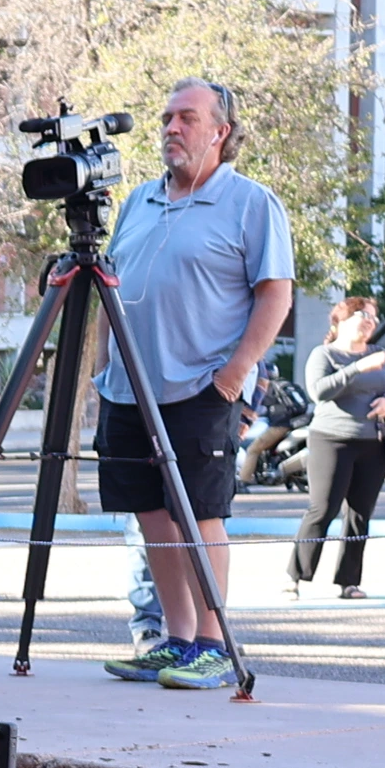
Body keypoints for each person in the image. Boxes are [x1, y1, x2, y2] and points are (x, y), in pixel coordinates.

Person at [94, 78, 292, 692]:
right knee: (152, 516)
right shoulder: (138, 202)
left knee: (201, 515)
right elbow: (114, 282)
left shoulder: (251, 202)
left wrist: (236, 372)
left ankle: (213, 643)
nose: (171, 129)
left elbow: (275, 293)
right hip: (128, 387)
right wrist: (103, 370)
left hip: (201, 388)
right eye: (166, 119)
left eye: (186, 118)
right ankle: (175, 639)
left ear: (219, 132)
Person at [291, 290, 385, 601]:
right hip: (331, 440)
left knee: (359, 514)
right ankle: (296, 577)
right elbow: (318, 392)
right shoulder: (324, 354)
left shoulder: (381, 354)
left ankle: (349, 582)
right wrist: (357, 368)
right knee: (323, 509)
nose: (370, 322)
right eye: (363, 315)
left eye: (373, 317)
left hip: (373, 444)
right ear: (341, 321)